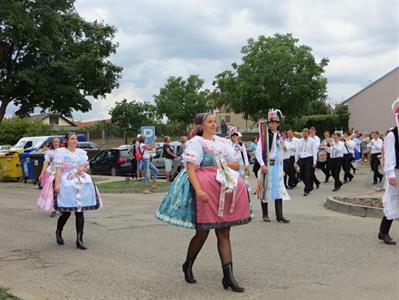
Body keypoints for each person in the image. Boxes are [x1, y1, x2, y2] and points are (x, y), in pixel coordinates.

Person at [156, 112, 251, 292]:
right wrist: (199, 190)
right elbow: (190, 168)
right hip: (206, 191)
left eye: (215, 122)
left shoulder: (223, 143)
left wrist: (224, 164)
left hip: (223, 189)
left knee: (224, 232)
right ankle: (188, 264)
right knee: (202, 233)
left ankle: (228, 277)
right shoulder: (196, 143)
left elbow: (237, 165)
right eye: (209, 122)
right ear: (201, 125)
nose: (213, 124)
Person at [53, 132, 102, 250]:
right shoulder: (61, 153)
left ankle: (79, 240)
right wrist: (57, 184)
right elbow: (58, 170)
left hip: (80, 182)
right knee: (67, 212)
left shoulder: (81, 153)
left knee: (80, 212)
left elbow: (86, 166)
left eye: (75, 139)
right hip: (67, 183)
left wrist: (83, 168)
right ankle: (59, 231)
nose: (74, 141)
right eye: (72, 139)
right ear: (67, 140)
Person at [256, 109, 290, 223]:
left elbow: (280, 153)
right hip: (268, 164)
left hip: (277, 165)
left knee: (279, 189)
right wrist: (262, 165)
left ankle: (279, 215)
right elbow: (258, 152)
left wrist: (282, 168)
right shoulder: (265, 136)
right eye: (270, 122)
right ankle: (265, 214)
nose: (272, 124)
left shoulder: (280, 135)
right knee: (265, 188)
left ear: (278, 124)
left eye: (274, 122)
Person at [378, 98, 399, 245]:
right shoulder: (392, 135)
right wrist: (390, 174)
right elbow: (389, 156)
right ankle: (383, 232)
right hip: (396, 173)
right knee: (392, 201)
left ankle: (383, 232)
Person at [37, 137, 61, 217]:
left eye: (57, 142)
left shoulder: (63, 151)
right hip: (51, 173)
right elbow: (46, 163)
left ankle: (60, 207)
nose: (56, 143)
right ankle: (53, 209)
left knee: (60, 191)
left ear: (60, 143)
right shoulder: (49, 153)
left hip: (61, 173)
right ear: (52, 143)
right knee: (52, 192)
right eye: (54, 142)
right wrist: (41, 174)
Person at [295, 128, 318, 196]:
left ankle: (306, 190)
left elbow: (314, 151)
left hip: (309, 158)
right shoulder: (299, 141)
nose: (304, 134)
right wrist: (296, 160)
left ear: (308, 133)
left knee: (308, 174)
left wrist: (314, 161)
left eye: (306, 133)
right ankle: (310, 185)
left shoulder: (312, 141)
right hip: (302, 159)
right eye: (303, 132)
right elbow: (297, 151)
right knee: (301, 175)